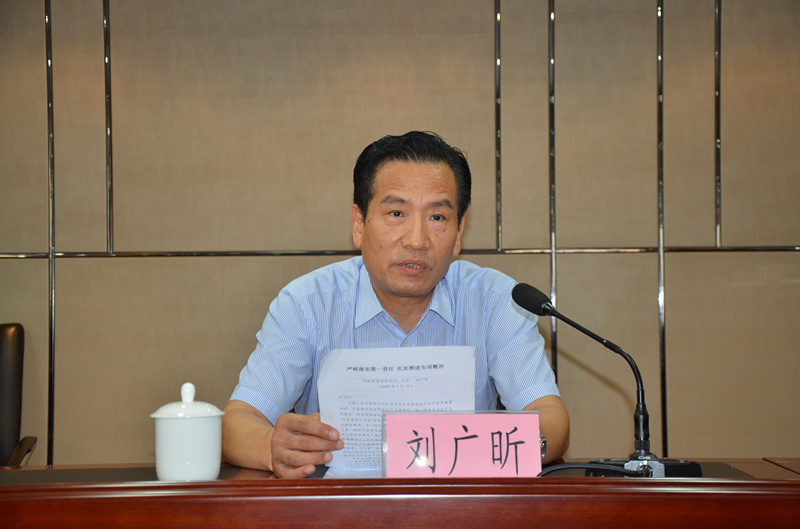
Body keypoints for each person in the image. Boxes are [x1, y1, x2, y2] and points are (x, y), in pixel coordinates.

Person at [223, 131, 569, 478]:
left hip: (459, 505)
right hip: (337, 506)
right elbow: (237, 422)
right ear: (359, 224)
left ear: (459, 232)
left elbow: (550, 417)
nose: (417, 240)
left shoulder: (496, 302)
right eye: (396, 213)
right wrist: (273, 447)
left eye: (437, 217)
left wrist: (523, 447)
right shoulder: (307, 305)